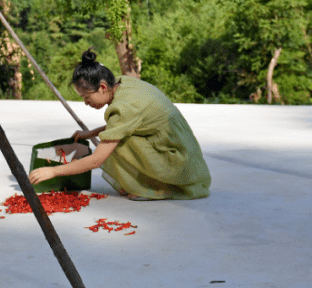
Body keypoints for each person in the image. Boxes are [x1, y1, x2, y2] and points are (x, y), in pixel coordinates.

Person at [28, 50, 211, 200]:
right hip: (181, 148)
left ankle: (150, 189)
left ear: (102, 87)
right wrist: (92, 132)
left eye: (87, 97)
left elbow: (97, 159)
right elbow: (128, 124)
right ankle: (145, 182)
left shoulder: (123, 107)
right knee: (113, 137)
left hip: (177, 159)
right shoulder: (124, 83)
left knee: (116, 145)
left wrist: (53, 171)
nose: (86, 103)